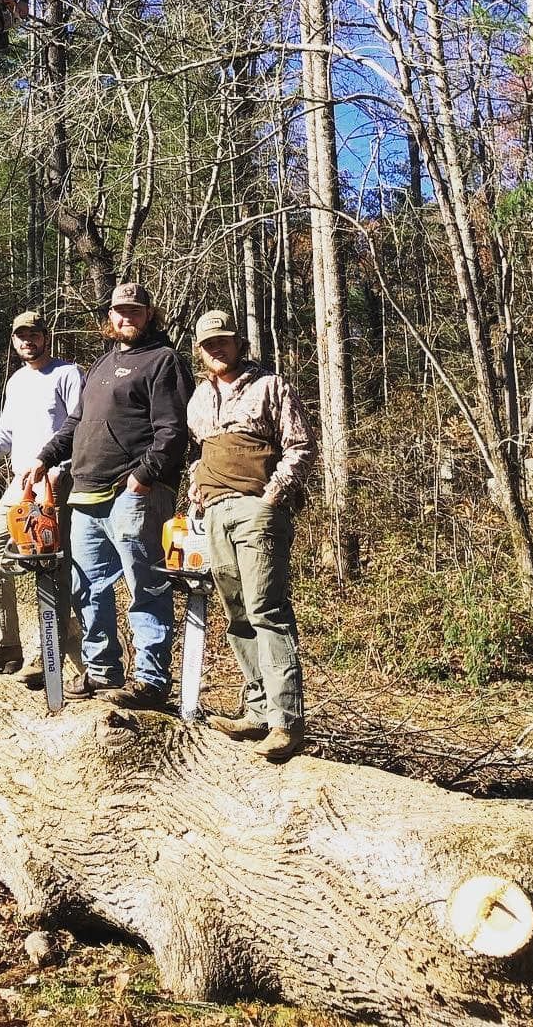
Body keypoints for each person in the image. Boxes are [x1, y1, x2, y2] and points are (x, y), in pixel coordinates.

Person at [24, 280, 192, 708]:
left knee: (146, 585)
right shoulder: (101, 364)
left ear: (149, 314)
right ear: (110, 317)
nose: (126, 318)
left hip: (133, 492)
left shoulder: (163, 361)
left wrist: (144, 477)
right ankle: (101, 671)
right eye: (119, 311)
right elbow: (75, 422)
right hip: (86, 493)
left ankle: (152, 681)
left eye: (135, 311)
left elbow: (172, 432)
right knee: (89, 587)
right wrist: (45, 457)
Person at [186, 308, 317, 762]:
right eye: (208, 343)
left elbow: (300, 445)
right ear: (200, 351)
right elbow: (200, 455)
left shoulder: (270, 386)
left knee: (267, 609)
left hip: (257, 511)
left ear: (239, 343)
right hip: (215, 514)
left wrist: (272, 497)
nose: (216, 348)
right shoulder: (199, 397)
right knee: (237, 612)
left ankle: (286, 721)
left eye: (224, 340)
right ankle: (258, 710)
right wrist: (196, 496)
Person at [0, 310, 83, 683]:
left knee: (52, 564)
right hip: (19, 484)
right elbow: (4, 436)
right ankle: (3, 643)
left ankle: (47, 654)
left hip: (56, 483)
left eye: (34, 335)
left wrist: (55, 470)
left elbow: (79, 429)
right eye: (21, 336)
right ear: (13, 340)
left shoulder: (68, 374)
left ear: (45, 337)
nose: (27, 341)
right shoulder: (17, 382)